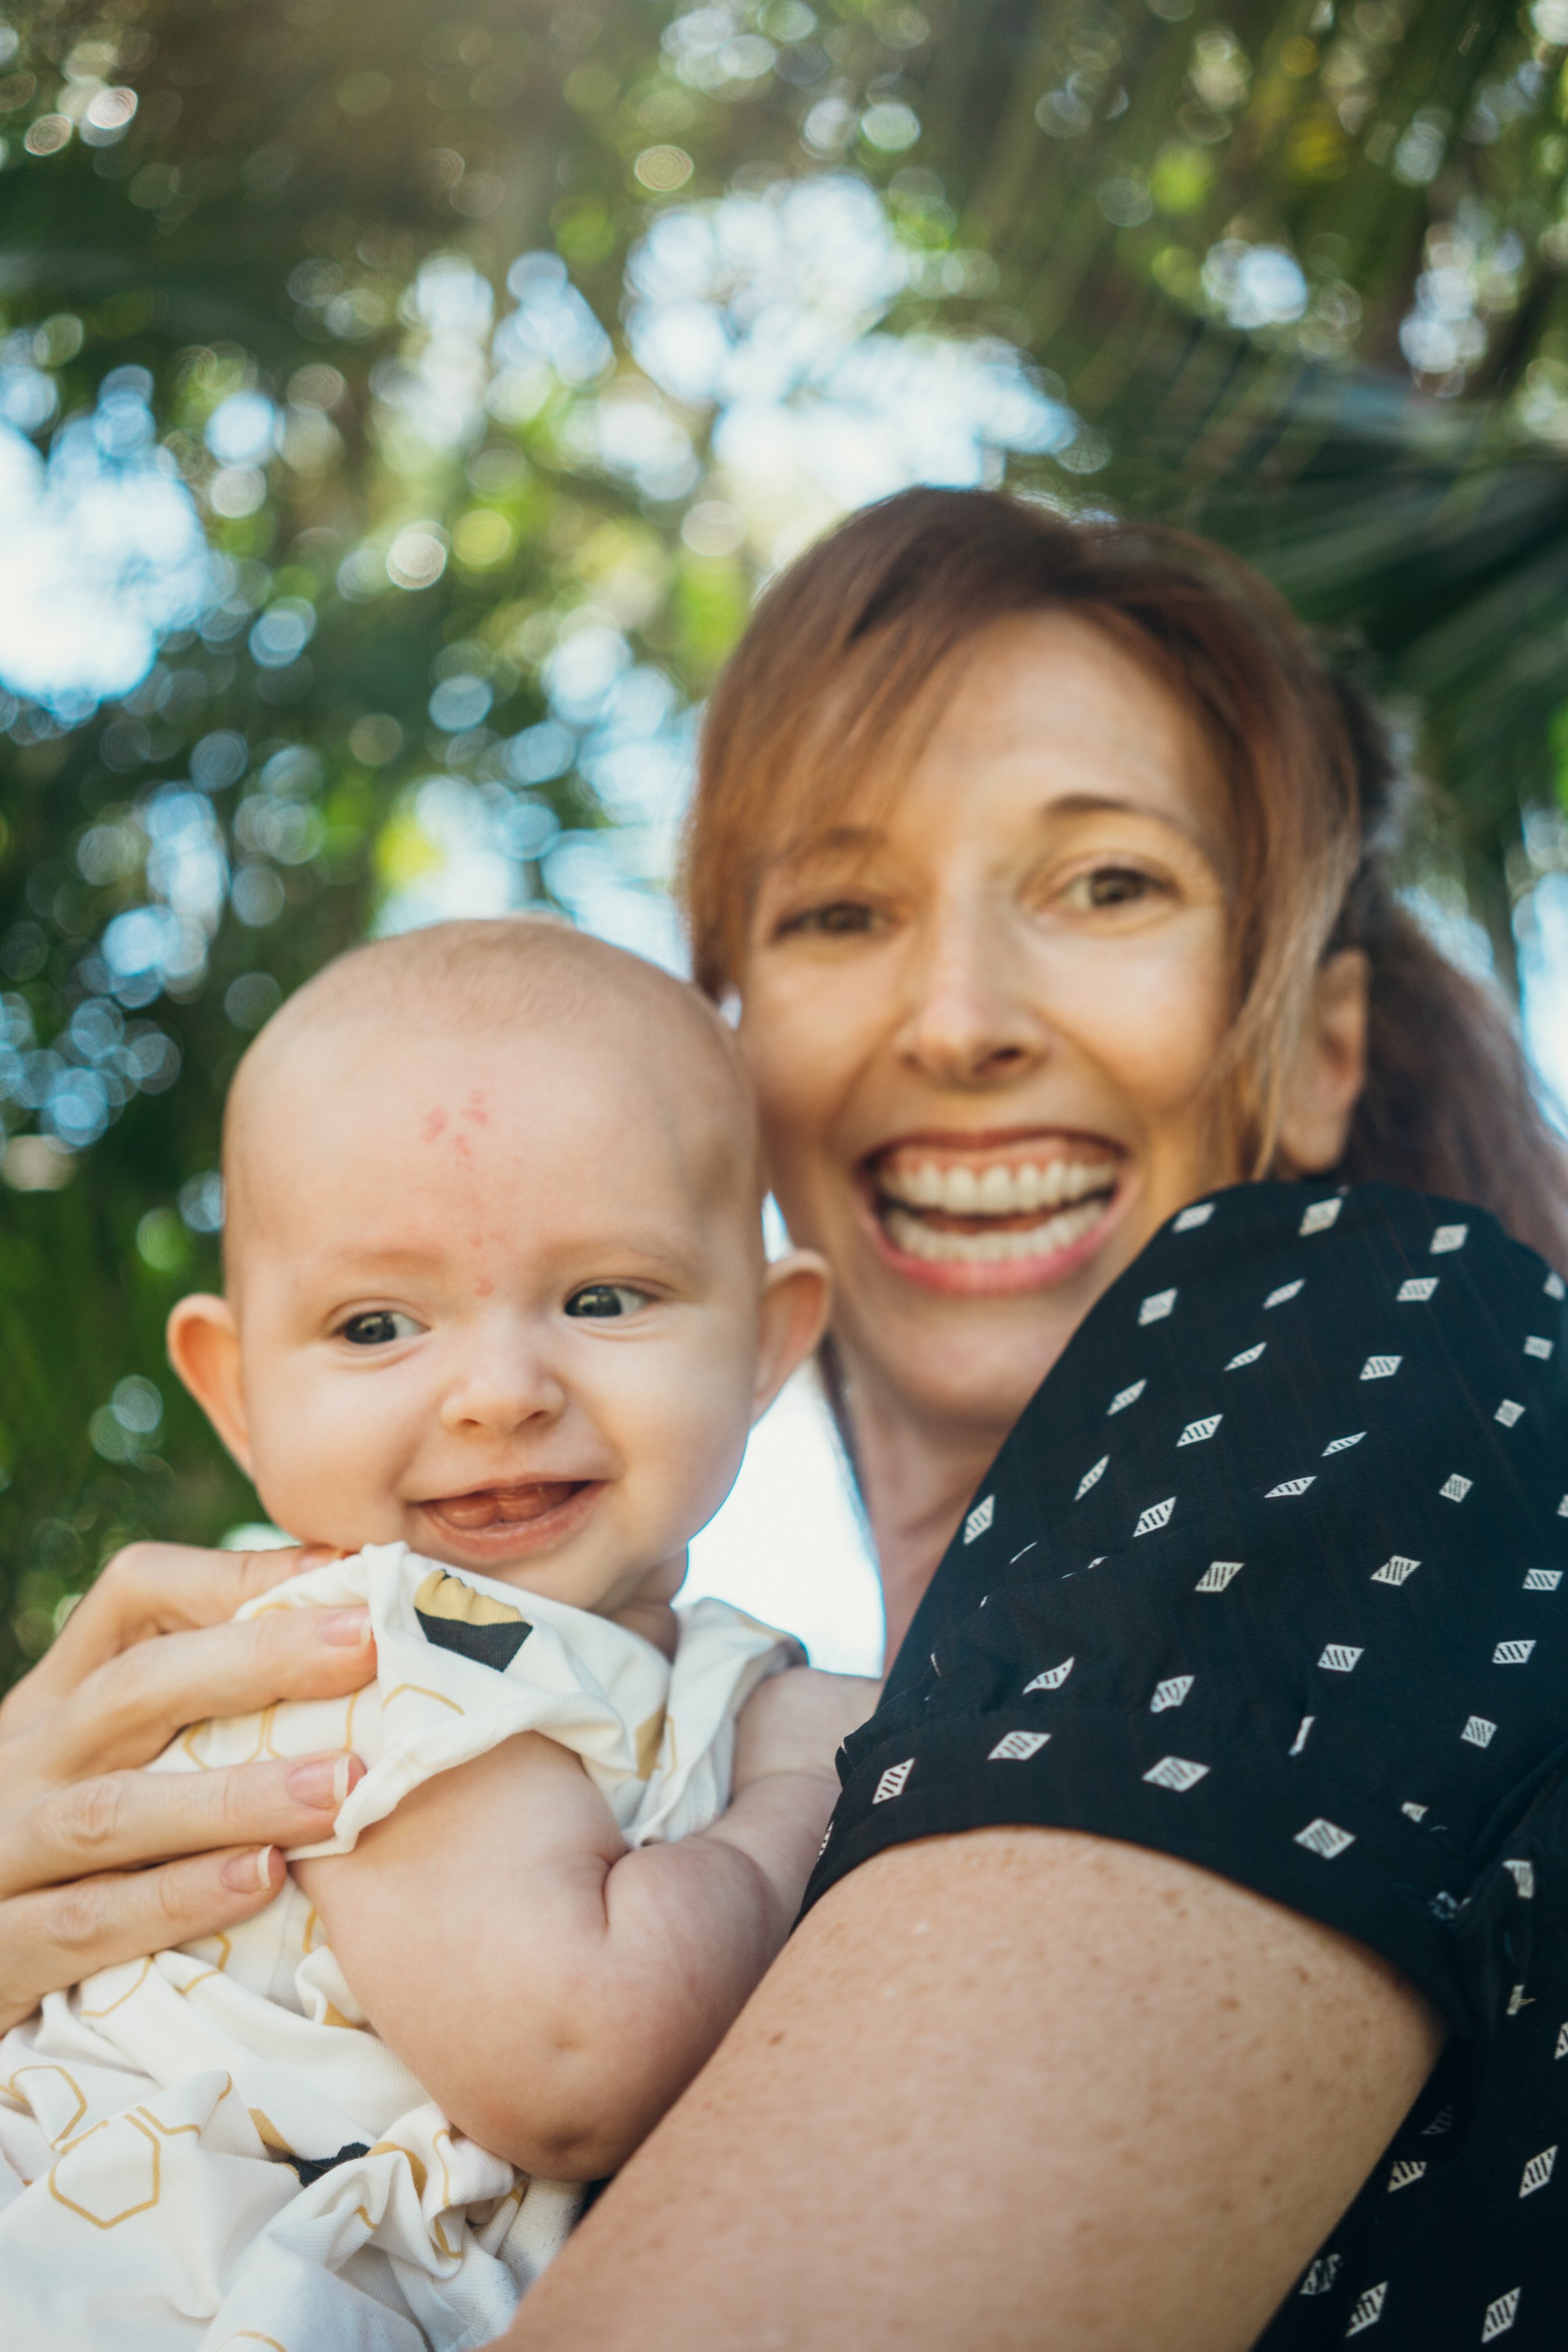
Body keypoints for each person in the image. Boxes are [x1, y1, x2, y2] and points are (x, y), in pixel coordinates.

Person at [1, 489, 1564, 2349]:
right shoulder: (634, 1712)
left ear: (1314, 1040)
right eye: (839, 908)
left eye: (1105, 883)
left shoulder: (1386, 1327)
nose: (963, 1016)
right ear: (727, 1058)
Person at [0, 919, 874, 2351]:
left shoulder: (653, 1661)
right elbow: (572, 2051)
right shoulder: (380, 1641)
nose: (497, 1391)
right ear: (235, 1393)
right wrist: (798, 1794)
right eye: (374, 1325)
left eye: (602, 1297)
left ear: (768, 1340)